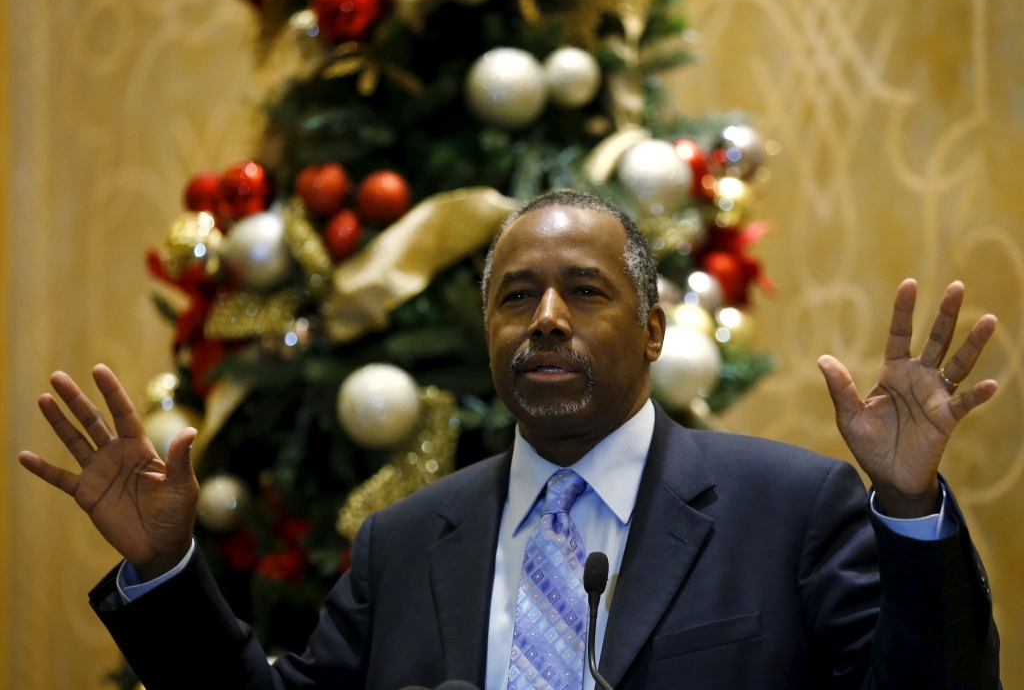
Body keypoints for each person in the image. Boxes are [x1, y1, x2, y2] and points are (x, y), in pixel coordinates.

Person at [19, 191, 1000, 690]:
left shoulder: (791, 508)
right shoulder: (403, 542)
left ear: (654, 330)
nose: (544, 318)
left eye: (583, 290)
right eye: (513, 296)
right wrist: (164, 567)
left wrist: (909, 510)